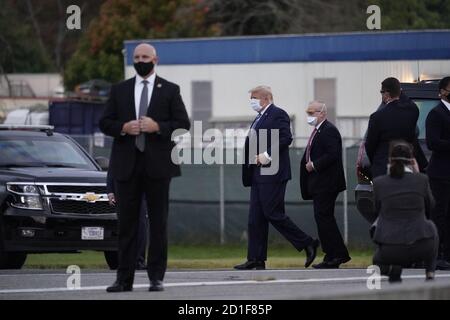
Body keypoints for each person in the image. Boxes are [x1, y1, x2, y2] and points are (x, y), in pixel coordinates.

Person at [99, 43, 190, 292]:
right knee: (127, 224)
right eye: (137, 57)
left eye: (145, 57)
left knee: (158, 223)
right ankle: (123, 278)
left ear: (155, 59)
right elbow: (104, 122)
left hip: (158, 167)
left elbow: (183, 124)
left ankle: (156, 277)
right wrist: (123, 128)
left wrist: (157, 126)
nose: (141, 60)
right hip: (126, 165)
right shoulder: (120, 90)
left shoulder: (170, 90)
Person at [235, 86, 319, 270]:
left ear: (266, 98)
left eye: (254, 97)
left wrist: (267, 154)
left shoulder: (278, 114)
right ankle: (255, 258)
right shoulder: (259, 118)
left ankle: (307, 243)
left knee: (272, 213)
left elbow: (286, 138)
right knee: (255, 218)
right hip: (258, 173)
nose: (252, 101)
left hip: (272, 173)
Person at [371, 141, 438, 282]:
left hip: (391, 249)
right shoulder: (421, 180)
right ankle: (430, 271)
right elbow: (431, 205)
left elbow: (376, 210)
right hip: (421, 245)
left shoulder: (379, 183)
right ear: (412, 160)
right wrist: (417, 172)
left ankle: (393, 270)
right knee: (431, 226)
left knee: (376, 261)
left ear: (389, 160)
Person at [300, 101, 351, 269]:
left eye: (312, 112)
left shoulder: (328, 130)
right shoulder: (319, 130)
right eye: (308, 113)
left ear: (322, 113)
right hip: (320, 183)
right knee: (323, 218)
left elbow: (333, 154)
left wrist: (314, 164)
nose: (309, 116)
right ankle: (334, 254)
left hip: (327, 183)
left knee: (324, 218)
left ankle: (336, 255)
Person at [365, 77, 422, 178]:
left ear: (386, 94)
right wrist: (398, 92)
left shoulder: (377, 117)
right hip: (406, 164)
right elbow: (409, 102)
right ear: (399, 91)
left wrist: (377, 160)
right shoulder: (412, 111)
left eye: (381, 92)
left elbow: (370, 145)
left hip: (382, 166)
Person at [426, 76, 450, 270]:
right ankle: (438, 253)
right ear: (442, 91)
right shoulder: (436, 114)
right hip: (441, 172)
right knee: (439, 213)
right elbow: (433, 142)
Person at [106, 168, 148, 270]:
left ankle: (138, 260)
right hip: (122, 187)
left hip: (141, 188)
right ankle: (124, 260)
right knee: (125, 226)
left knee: (141, 225)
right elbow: (113, 165)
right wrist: (110, 191)